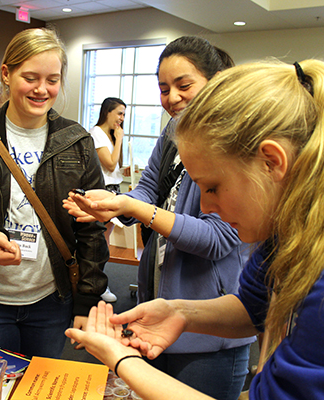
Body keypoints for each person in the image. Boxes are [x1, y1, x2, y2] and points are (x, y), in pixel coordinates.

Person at [66, 59, 324, 400]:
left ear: (272, 162)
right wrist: (180, 312)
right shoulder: (287, 231)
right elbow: (251, 307)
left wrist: (124, 360)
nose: (207, 207)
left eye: (211, 188)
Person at [64, 36, 253, 400]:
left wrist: (138, 210)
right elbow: (148, 188)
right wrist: (118, 203)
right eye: (164, 89)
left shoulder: (233, 142)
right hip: (159, 312)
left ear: (215, 83)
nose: (172, 98)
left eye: (184, 85)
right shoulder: (172, 132)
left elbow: (218, 238)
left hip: (209, 331)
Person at [0, 27, 109, 359]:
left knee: (38, 389)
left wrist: (88, 300)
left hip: (52, 300)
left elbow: (92, 229)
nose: (42, 89)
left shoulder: (76, 142)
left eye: (53, 79)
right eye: (31, 77)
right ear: (7, 74)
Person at [89, 97, 127, 303]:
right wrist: (119, 138)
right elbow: (110, 165)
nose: (121, 118)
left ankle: (98, 282)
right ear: (107, 112)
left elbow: (113, 168)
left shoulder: (109, 135)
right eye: (119, 113)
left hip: (113, 188)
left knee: (104, 241)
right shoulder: (97, 134)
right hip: (103, 190)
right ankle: (97, 284)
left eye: (123, 114)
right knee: (99, 241)